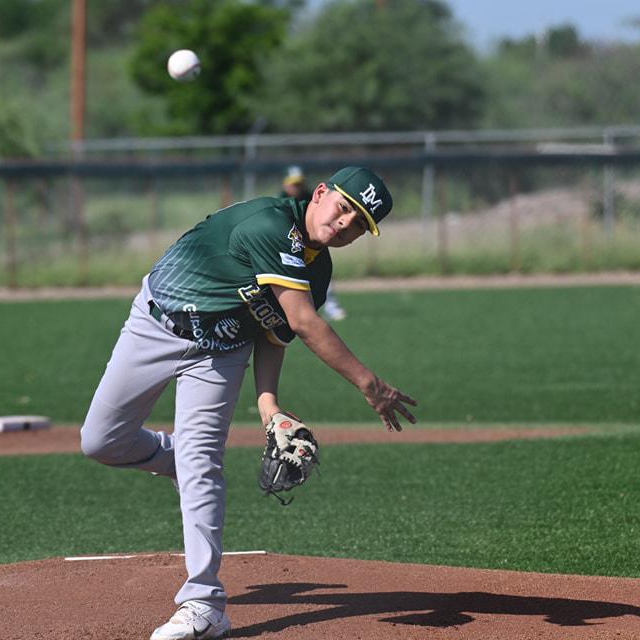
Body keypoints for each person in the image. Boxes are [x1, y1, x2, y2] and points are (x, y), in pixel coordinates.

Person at [80, 166, 417, 640]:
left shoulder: (317, 270)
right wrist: (370, 383)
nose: (345, 225)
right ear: (320, 193)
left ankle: (204, 602)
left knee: (202, 462)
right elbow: (302, 323)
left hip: (220, 351)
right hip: (158, 322)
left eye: (359, 224)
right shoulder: (269, 225)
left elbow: (273, 333)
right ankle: (179, 461)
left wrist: (269, 406)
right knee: (100, 442)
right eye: (343, 208)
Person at [281, 165, 348, 321]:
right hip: (289, 244)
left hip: (310, 245)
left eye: (299, 183)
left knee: (322, 275)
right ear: (285, 184)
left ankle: (331, 306)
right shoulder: (281, 199)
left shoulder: (309, 196)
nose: (297, 187)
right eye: (293, 184)